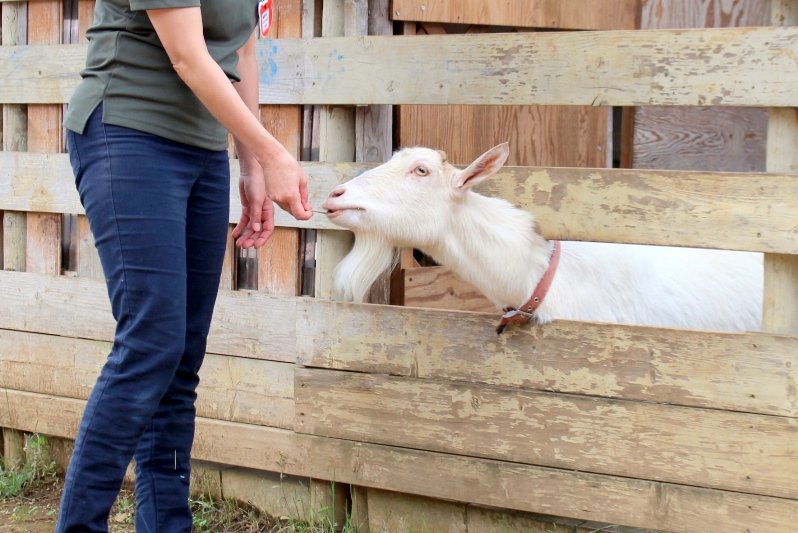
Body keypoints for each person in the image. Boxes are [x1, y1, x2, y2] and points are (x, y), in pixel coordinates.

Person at [55, 1, 312, 531]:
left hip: (201, 150)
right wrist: (274, 154)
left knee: (180, 360)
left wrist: (250, 163)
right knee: (151, 344)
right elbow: (188, 55)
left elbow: (242, 47)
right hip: (127, 132)